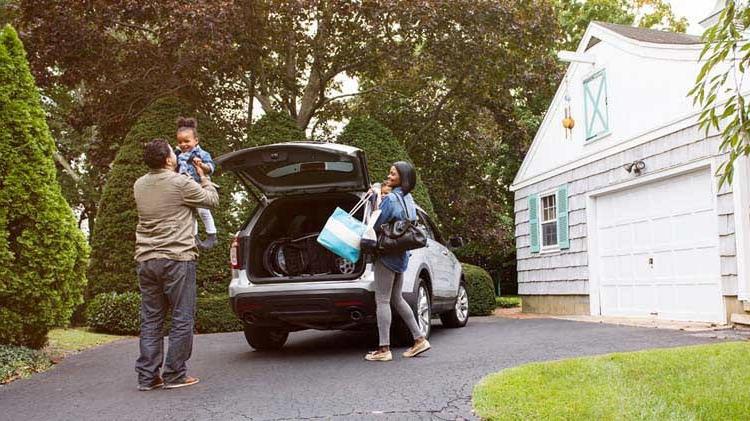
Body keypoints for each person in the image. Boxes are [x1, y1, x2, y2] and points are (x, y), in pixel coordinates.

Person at [133, 138, 219, 391]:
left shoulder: (139, 185)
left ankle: (148, 377)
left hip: (146, 260)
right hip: (177, 259)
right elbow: (211, 201)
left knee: (151, 319)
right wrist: (204, 177)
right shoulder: (181, 183)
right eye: (173, 151)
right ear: (169, 159)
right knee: (182, 317)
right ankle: (174, 374)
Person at [365, 161, 431, 362]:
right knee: (396, 299)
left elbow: (375, 224)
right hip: (401, 254)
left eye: (393, 174)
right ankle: (419, 339)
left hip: (387, 255)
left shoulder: (391, 199)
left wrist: (373, 199)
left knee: (382, 300)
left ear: (403, 177)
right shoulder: (409, 199)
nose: (389, 175)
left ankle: (383, 349)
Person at [175, 117, 218, 250]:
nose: (183, 145)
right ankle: (195, 237)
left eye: (187, 141)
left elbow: (211, 168)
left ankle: (212, 235)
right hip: (186, 187)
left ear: (196, 140)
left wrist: (202, 165)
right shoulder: (178, 154)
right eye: (180, 142)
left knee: (203, 211)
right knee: (190, 214)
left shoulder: (201, 153)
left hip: (199, 185)